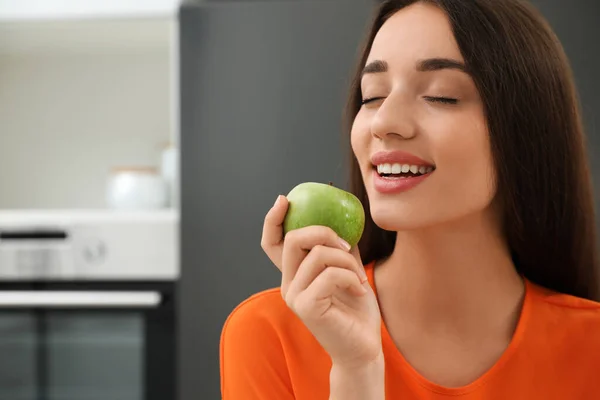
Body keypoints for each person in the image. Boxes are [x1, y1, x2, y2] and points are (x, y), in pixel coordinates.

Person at [220, 0, 600, 399]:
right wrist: (357, 371)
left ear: (526, 133)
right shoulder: (269, 333)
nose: (384, 122)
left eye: (441, 96)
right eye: (372, 96)